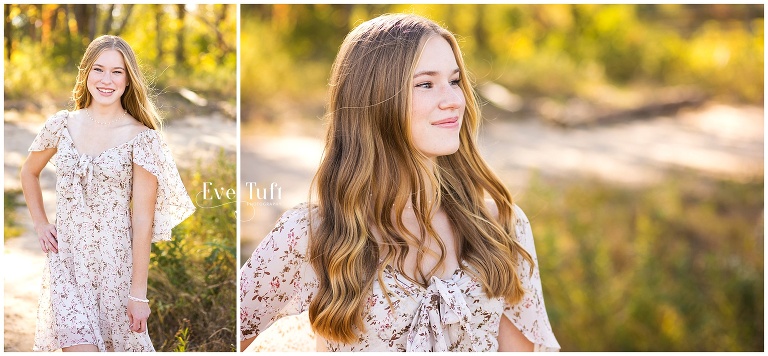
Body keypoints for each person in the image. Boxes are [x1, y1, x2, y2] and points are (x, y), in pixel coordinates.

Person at [239, 13, 560, 352]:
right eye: (425, 84)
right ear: (373, 100)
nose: (453, 99)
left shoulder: (498, 225)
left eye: (454, 81)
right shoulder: (312, 233)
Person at [20, 35, 195, 352]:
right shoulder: (61, 125)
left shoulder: (143, 139)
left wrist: (138, 294)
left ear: (128, 80)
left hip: (116, 266)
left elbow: (142, 219)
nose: (106, 80)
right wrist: (41, 223)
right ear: (86, 72)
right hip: (68, 261)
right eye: (99, 69)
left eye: (117, 72)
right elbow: (28, 172)